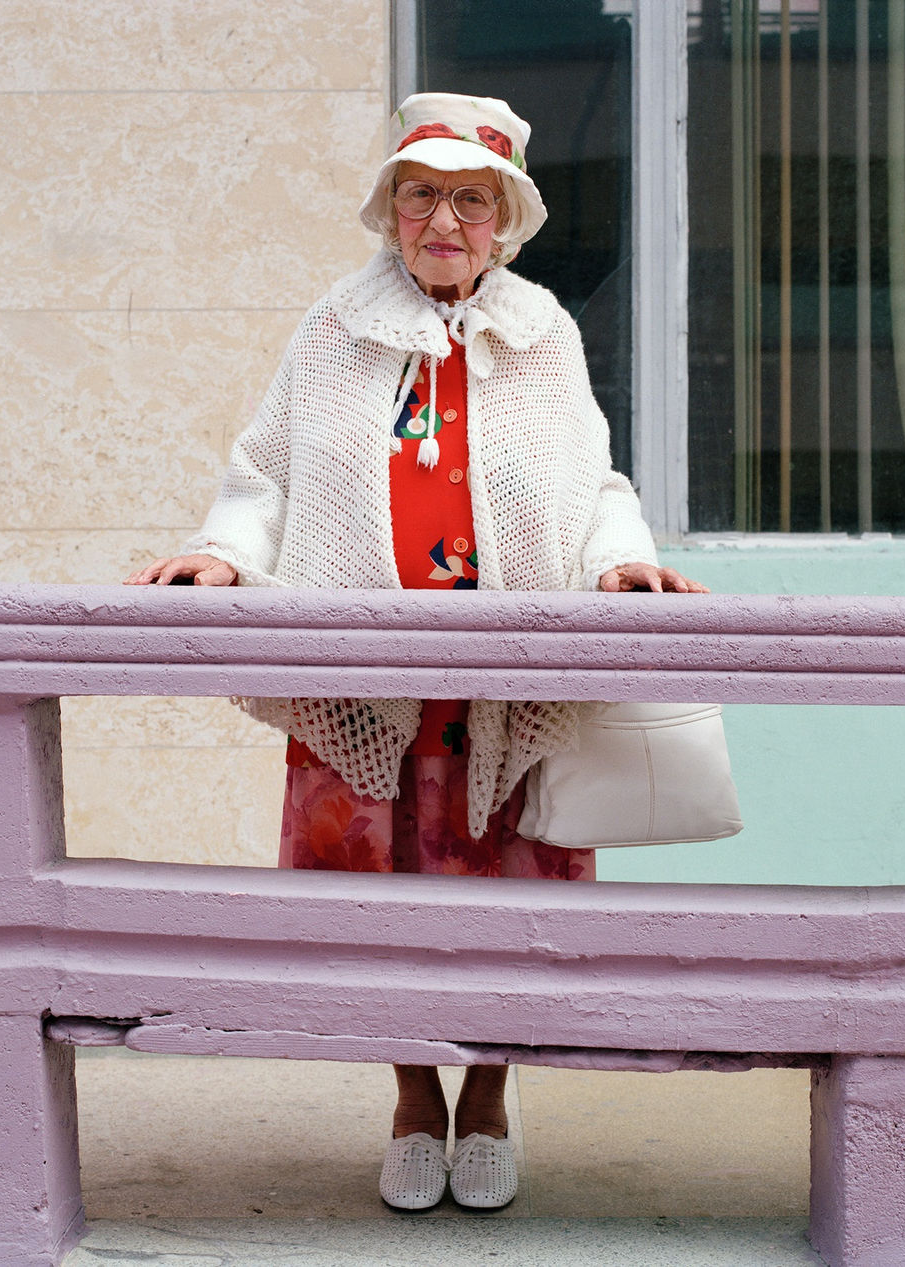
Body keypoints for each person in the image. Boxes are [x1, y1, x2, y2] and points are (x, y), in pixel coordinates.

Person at [125, 93, 707, 1212]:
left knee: (510, 902)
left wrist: (622, 560)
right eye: (421, 194)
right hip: (367, 685)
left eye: (470, 199)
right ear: (390, 208)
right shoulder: (333, 326)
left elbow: (592, 482)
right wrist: (221, 553)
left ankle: (486, 1098)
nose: (444, 220)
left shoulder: (543, 331)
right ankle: (409, 1099)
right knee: (371, 905)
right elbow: (266, 470)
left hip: (503, 686)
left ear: (506, 217)